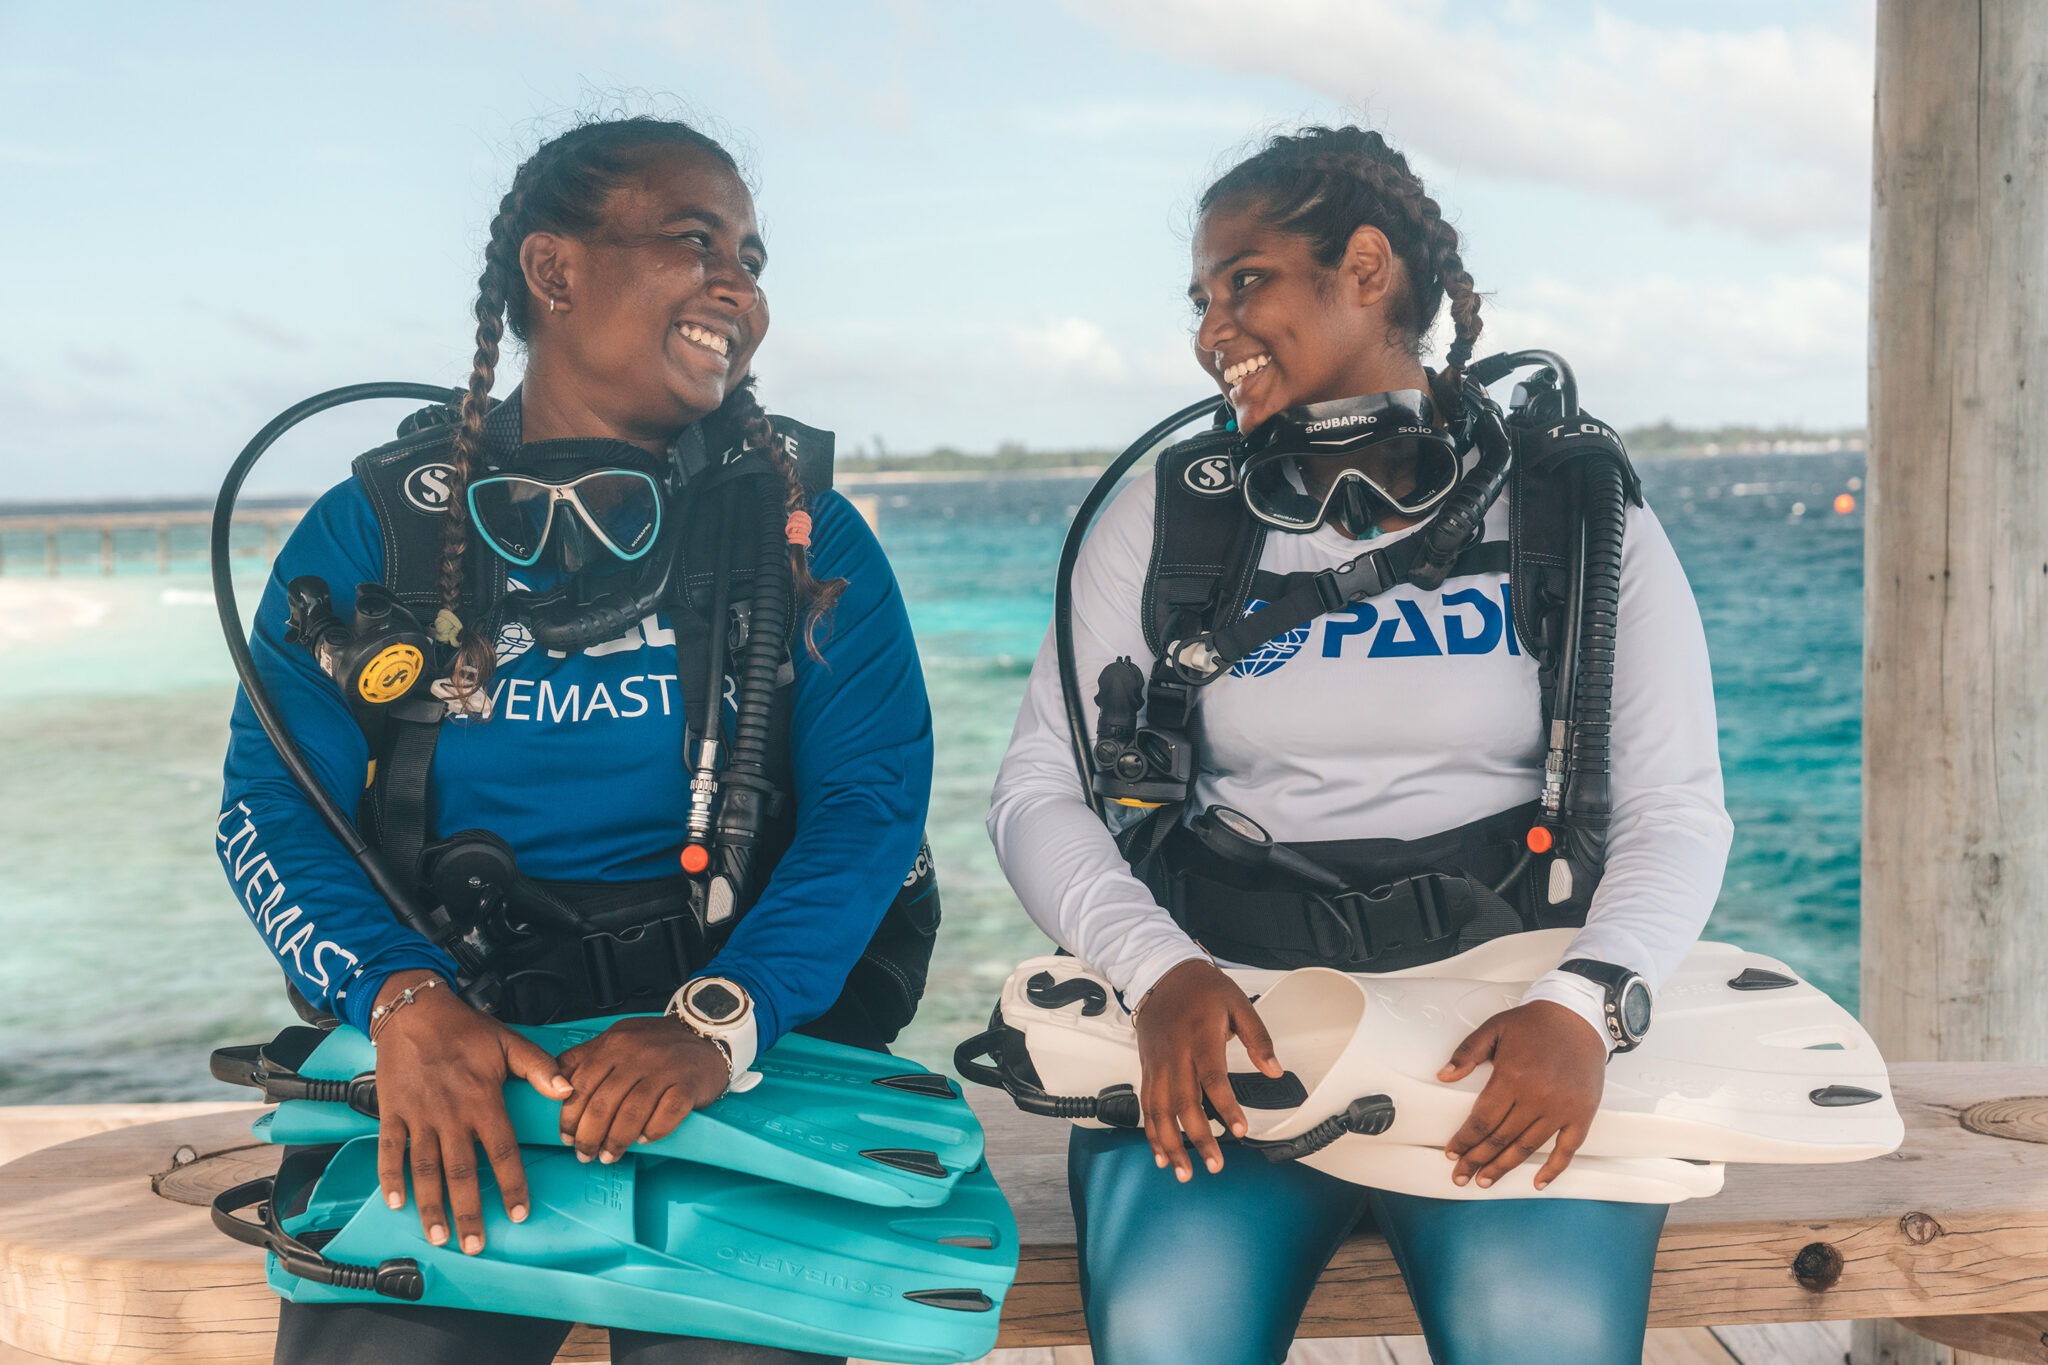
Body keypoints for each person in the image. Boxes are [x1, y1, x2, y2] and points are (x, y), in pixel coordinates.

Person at [987, 126, 1732, 1364]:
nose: (1210, 329)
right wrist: (1156, 971)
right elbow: (1035, 791)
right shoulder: (1170, 513)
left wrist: (1583, 1007)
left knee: (1535, 1341)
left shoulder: (1568, 508)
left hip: (1512, 1021)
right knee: (1169, 1337)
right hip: (1230, 1017)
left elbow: (1675, 806)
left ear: (1366, 268)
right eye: (1200, 298)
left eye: (1245, 280)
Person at [218, 115, 935, 1365]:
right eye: (693, 242)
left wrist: (723, 1020)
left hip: (732, 1055)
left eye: (752, 259)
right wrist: (400, 999)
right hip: (462, 1039)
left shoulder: (803, 535)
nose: (738, 288)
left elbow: (870, 809)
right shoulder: (373, 533)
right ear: (553, 272)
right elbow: (266, 811)